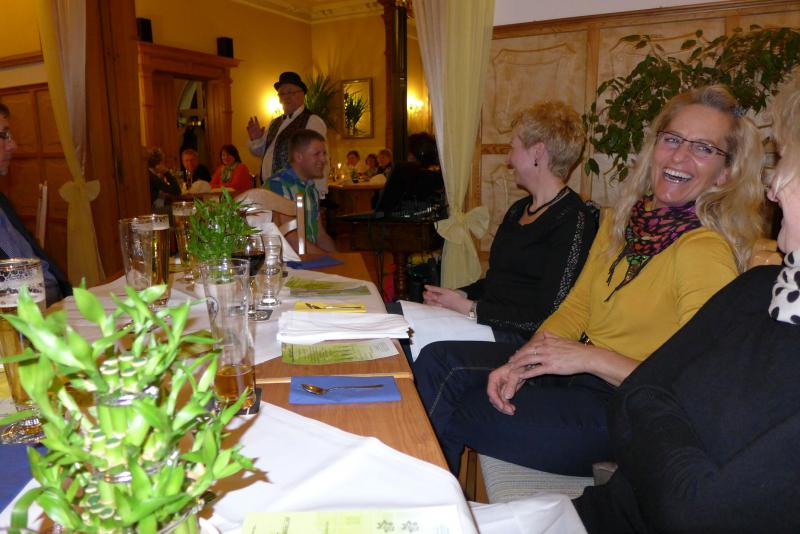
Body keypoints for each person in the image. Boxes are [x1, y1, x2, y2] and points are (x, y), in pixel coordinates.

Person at [414, 85, 765, 476]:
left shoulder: (704, 250)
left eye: (703, 148)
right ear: (655, 147)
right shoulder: (622, 222)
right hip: (576, 376)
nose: (680, 155)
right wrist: (521, 364)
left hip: (627, 409)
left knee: (447, 405)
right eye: (672, 139)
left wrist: (589, 357)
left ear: (725, 173)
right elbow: (575, 308)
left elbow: (698, 382)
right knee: (436, 361)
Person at [421, 101, 598, 346]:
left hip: (520, 342)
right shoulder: (517, 210)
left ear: (537, 152)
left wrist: (468, 308)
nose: (508, 159)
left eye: (512, 148)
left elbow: (546, 316)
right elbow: (498, 283)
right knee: (398, 315)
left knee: (424, 346)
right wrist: (459, 294)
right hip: (485, 325)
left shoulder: (574, 220)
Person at [0, 103, 70, 305]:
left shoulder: (3, 204)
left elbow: (44, 268)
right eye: (4, 136)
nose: (13, 145)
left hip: (56, 306)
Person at [247, 71, 328, 195]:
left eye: (291, 92)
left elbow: (319, 156)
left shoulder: (312, 121)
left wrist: (318, 192)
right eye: (282, 93)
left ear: (302, 94)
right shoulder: (274, 123)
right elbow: (263, 152)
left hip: (296, 191)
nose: (286, 97)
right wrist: (256, 139)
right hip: (269, 189)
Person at [266, 129, 336, 252]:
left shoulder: (311, 189)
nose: (324, 159)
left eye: (324, 153)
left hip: (308, 257)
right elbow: (291, 239)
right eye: (317, 154)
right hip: (286, 261)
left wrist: (339, 259)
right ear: (298, 157)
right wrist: (326, 258)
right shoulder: (278, 185)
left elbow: (320, 235)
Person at [375, 132, 446, 216]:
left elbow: (384, 209)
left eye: (408, 153)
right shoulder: (439, 175)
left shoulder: (404, 173)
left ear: (413, 155)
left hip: (399, 221)